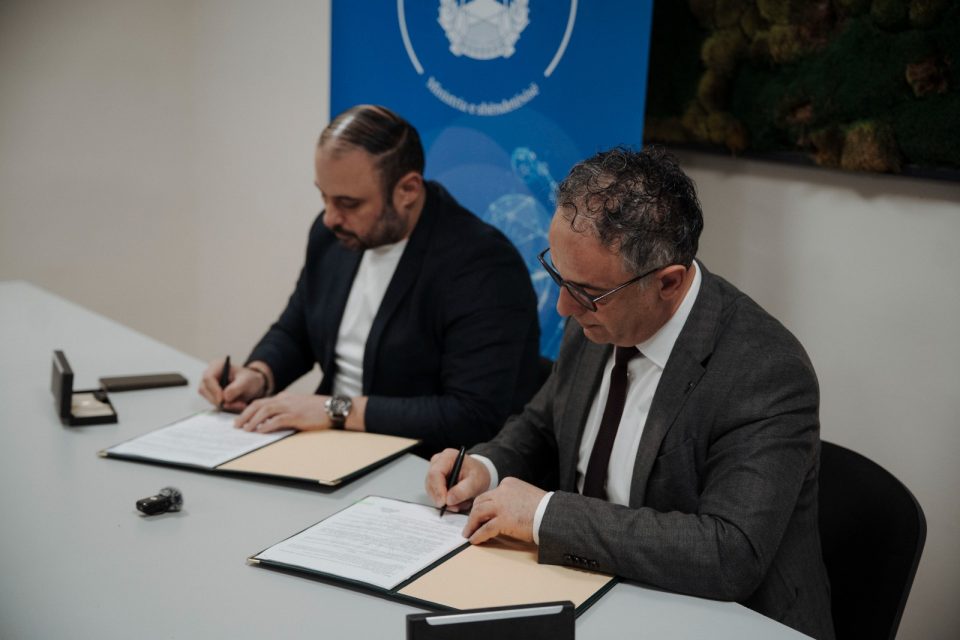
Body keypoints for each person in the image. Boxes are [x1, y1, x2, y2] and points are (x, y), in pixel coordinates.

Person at [426, 147, 834, 639]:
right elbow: (544, 426)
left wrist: (545, 515)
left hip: (714, 620)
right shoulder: (598, 308)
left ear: (668, 283)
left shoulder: (764, 370)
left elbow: (729, 553)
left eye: (583, 291)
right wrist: (486, 467)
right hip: (589, 589)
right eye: (558, 277)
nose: (562, 308)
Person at [198, 105, 541, 456]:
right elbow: (297, 329)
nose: (330, 218)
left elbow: (471, 415)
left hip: (419, 461)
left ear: (407, 190)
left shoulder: (483, 266)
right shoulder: (334, 235)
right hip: (327, 444)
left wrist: (335, 410)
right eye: (323, 196)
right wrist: (259, 374)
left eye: (348, 203)